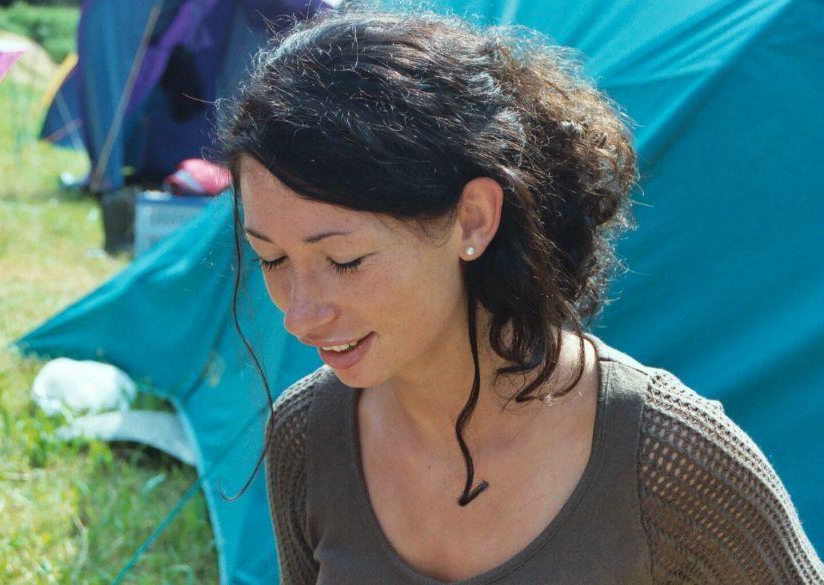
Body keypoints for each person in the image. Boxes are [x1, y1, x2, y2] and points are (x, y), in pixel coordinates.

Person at [220, 8, 824, 584]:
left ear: (474, 219)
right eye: (271, 258)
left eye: (345, 261)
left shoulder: (669, 457)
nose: (300, 315)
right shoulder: (307, 435)